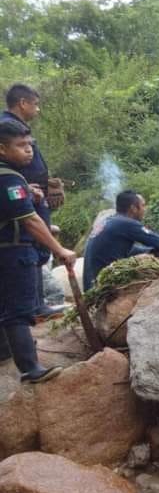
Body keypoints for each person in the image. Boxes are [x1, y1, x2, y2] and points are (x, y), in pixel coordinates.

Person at [0, 119, 74, 383]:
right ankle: (30, 369)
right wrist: (60, 249)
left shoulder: (9, 177)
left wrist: (27, 192)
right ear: (2, 149)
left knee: (5, 308)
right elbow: (30, 221)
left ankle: (5, 356)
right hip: (13, 253)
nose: (29, 150)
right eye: (21, 145)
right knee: (19, 311)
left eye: (29, 145)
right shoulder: (8, 178)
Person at [1, 84, 65, 320]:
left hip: (29, 195)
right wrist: (25, 187)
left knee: (35, 250)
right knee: (29, 248)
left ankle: (36, 305)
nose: (38, 110)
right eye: (35, 104)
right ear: (23, 103)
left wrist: (46, 183)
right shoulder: (6, 128)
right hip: (18, 204)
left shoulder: (17, 128)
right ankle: (31, 309)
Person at [83, 190, 159, 292]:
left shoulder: (112, 221)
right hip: (105, 287)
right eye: (143, 205)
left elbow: (129, 250)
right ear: (133, 208)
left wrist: (149, 251)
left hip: (91, 286)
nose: (145, 209)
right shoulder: (126, 223)